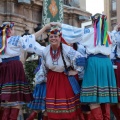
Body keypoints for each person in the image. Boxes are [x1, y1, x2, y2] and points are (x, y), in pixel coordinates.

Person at [51, 13, 118, 120]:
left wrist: (59, 24)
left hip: (94, 63)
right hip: (106, 64)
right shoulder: (109, 34)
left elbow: (73, 31)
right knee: (104, 96)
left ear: (93, 22)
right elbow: (116, 36)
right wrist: (115, 28)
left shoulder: (90, 32)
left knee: (92, 98)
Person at [0, 22, 50, 120]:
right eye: (13, 29)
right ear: (9, 30)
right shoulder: (14, 39)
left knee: (6, 103)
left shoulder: (1, 42)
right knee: (16, 101)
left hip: (3, 70)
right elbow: (31, 37)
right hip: (14, 69)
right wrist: (44, 28)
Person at [34, 27, 84, 120]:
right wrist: (43, 78)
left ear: (60, 38)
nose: (53, 38)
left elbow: (80, 58)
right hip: (52, 79)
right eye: (51, 36)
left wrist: (76, 71)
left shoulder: (67, 49)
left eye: (55, 36)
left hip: (65, 78)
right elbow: (44, 66)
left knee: (67, 108)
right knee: (52, 107)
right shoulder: (45, 51)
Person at [110, 24, 120, 120]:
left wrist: (114, 31)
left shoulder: (116, 35)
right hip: (115, 64)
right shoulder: (115, 34)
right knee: (114, 99)